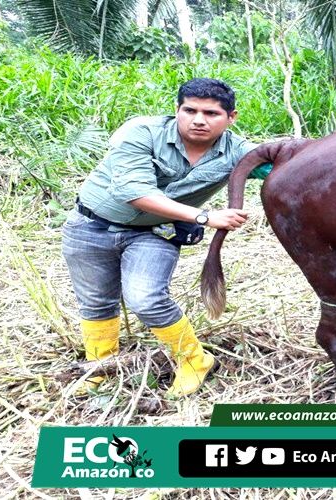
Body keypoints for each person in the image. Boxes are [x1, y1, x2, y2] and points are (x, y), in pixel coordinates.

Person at [62, 78, 269, 398]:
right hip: (90, 227)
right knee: (96, 302)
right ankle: (100, 368)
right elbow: (134, 192)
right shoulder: (142, 132)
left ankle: (195, 360)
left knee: (145, 298)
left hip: (154, 233)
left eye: (212, 113)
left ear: (231, 118)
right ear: (177, 110)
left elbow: (283, 164)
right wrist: (205, 217)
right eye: (190, 110)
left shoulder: (237, 153)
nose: (199, 119)